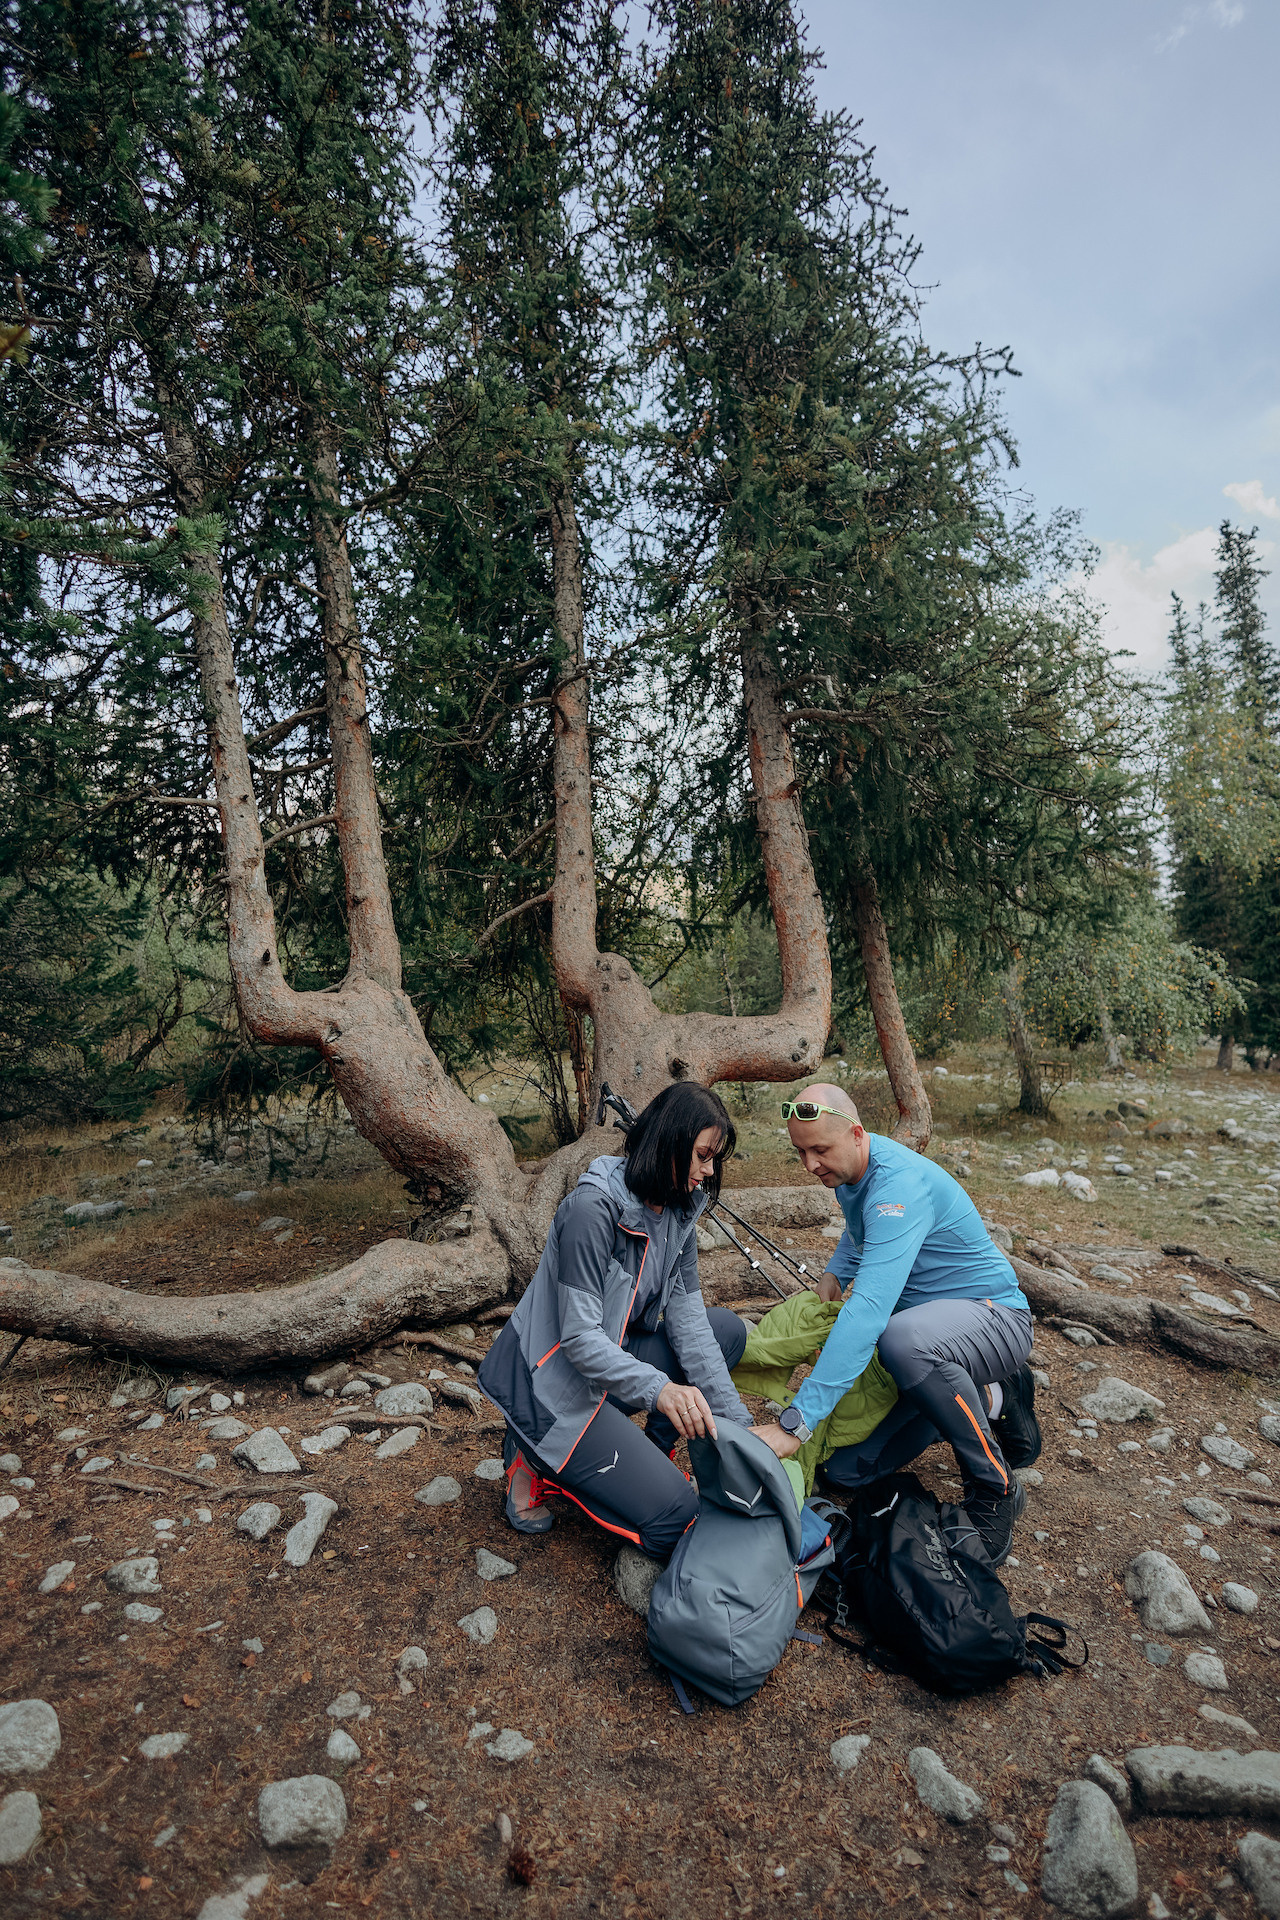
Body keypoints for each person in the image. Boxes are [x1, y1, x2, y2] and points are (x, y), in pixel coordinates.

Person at [751, 1085, 1040, 1566]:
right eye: (800, 1151)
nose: (810, 1165)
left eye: (820, 1149)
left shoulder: (899, 1186)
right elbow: (857, 1228)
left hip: (994, 1317)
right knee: (845, 1471)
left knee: (898, 1340)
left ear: (857, 1133)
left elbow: (868, 1312)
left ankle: (995, 1487)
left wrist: (796, 1423)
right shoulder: (850, 1173)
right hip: (929, 1340)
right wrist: (834, 1274)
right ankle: (993, 1398)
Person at [477, 1082, 753, 1558]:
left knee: (725, 1330)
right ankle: (530, 1450)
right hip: (552, 1384)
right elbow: (581, 1341)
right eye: (703, 1156)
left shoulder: (678, 1212)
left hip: (613, 1360)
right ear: (669, 1142)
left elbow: (690, 1326)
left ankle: (647, 1456)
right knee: (678, 1520)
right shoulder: (593, 1209)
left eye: (714, 1159)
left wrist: (744, 1430)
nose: (708, 1173)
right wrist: (661, 1391)